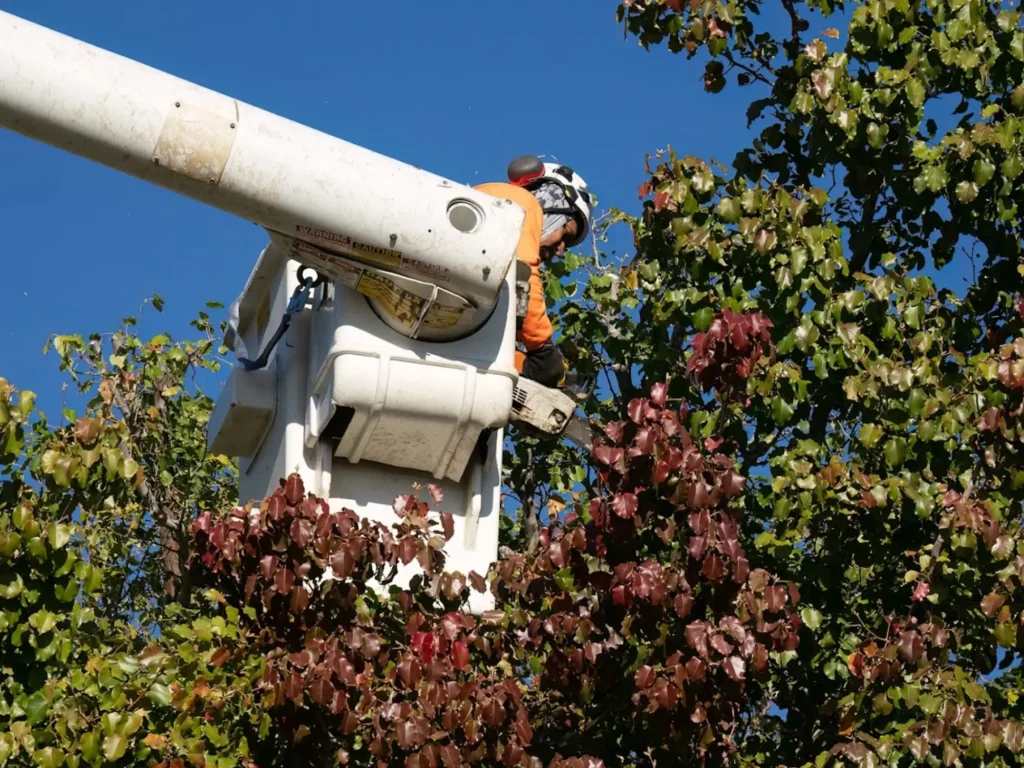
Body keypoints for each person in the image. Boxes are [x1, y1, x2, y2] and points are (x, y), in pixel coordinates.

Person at [474, 156, 593, 388]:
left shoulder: (475, 203)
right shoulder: (519, 203)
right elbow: (523, 276)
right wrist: (543, 351)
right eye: (566, 235)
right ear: (550, 204)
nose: (561, 250)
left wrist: (525, 366)